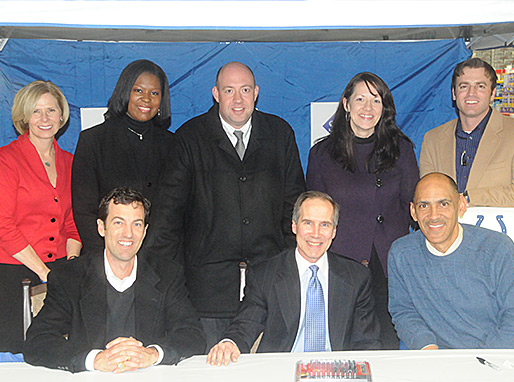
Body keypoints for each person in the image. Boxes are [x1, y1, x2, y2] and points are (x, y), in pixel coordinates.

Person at [147, 61, 305, 348]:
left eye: (245, 90)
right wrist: (171, 284)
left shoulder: (280, 134)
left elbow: (293, 209)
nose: (238, 99)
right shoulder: (189, 138)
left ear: (256, 92)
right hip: (207, 294)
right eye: (229, 90)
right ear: (215, 94)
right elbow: (167, 219)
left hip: (269, 288)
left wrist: (285, 267)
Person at [24, 187, 206, 373]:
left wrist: (152, 354)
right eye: (119, 223)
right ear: (101, 227)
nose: (128, 233)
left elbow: (192, 334)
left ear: (144, 232)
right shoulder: (70, 277)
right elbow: (38, 341)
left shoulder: (167, 274)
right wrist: (94, 359)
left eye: (136, 224)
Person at [306, 72, 418, 349]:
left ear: (385, 108)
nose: (368, 108)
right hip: (341, 264)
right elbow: (314, 214)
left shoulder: (402, 150)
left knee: (386, 344)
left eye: (376, 100)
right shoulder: (322, 154)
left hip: (389, 265)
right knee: (341, 341)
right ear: (346, 104)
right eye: (360, 99)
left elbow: (413, 206)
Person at [206, 191, 381, 366]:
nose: (316, 233)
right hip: (281, 370)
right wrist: (230, 342)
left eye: (325, 225)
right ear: (294, 226)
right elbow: (246, 325)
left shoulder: (357, 277)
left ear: (334, 231)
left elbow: (367, 342)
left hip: (336, 371)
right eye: (308, 223)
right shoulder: (265, 275)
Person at [388, 173, 514, 349]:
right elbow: (403, 311)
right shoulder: (402, 253)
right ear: (413, 212)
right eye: (424, 205)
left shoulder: (498, 248)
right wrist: (427, 347)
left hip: (493, 358)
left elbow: (511, 315)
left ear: (461, 206)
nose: (433, 215)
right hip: (436, 359)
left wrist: (482, 361)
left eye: (443, 204)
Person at [0, 81, 81, 353]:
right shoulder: (6, 160)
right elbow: (3, 226)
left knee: (56, 352)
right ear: (24, 117)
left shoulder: (71, 163)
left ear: (62, 115)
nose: (45, 118)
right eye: (36, 112)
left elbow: (74, 222)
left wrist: (70, 268)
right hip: (13, 274)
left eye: (51, 110)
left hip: (58, 272)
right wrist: (45, 273)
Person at [72, 59, 173, 254]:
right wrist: (108, 257)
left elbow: (175, 211)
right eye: (138, 91)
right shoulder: (93, 141)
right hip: (106, 257)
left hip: (161, 258)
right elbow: (84, 211)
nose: (146, 99)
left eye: (154, 93)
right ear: (125, 92)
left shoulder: (173, 144)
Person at [419, 57, 514, 207]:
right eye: (464, 86)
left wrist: (469, 198)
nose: (471, 93)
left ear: (493, 93)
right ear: (454, 94)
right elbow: (426, 196)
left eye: (480, 86)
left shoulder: (511, 133)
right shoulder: (433, 140)